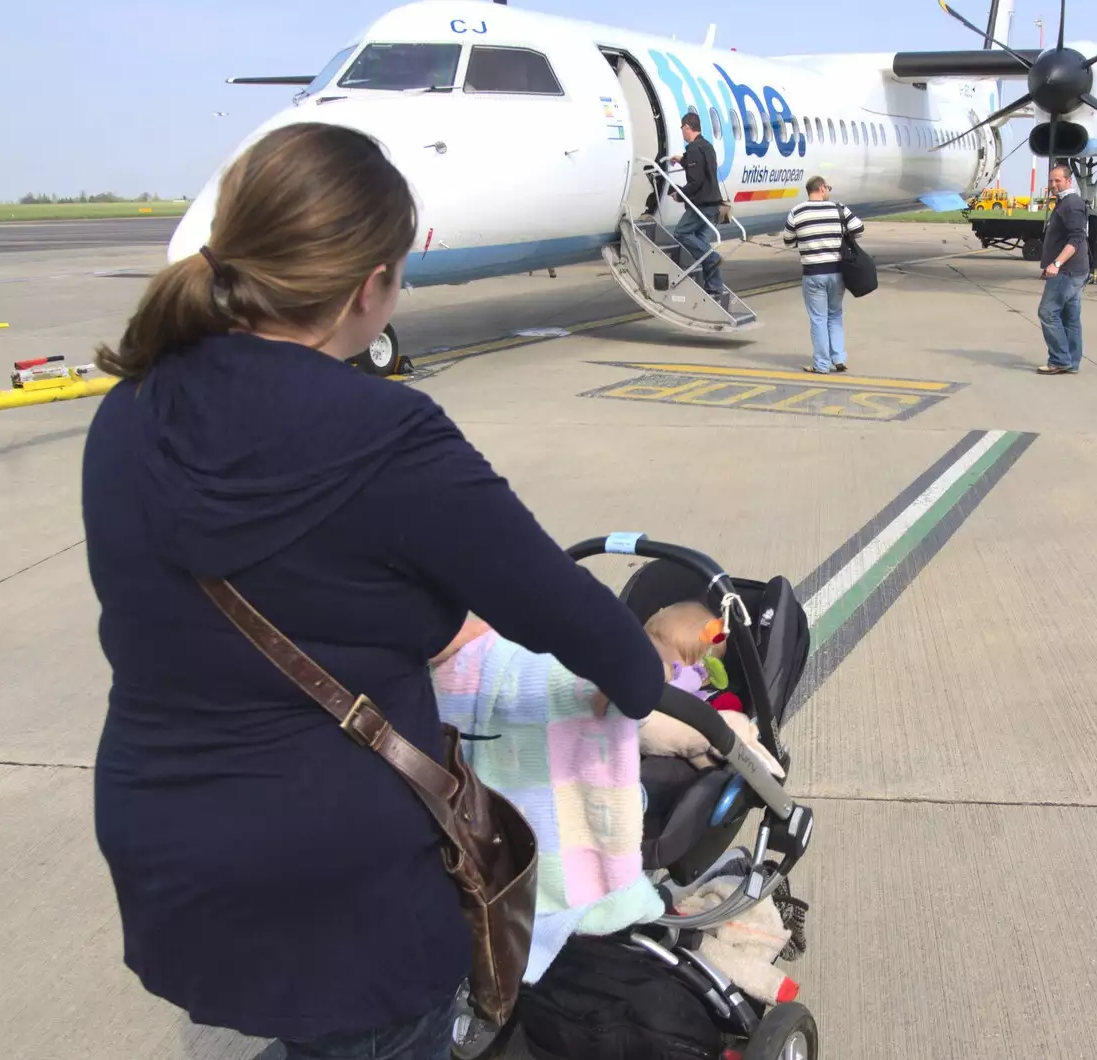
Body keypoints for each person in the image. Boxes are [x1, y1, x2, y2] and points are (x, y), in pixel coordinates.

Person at [82, 122, 669, 1060]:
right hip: (339, 877)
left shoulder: (130, 408)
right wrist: (643, 673)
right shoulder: (389, 435)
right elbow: (575, 620)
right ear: (371, 288)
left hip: (160, 833)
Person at [782, 176, 865, 374]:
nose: (828, 190)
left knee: (818, 318)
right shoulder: (839, 208)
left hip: (813, 274)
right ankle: (838, 358)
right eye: (827, 187)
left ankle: (821, 364)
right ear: (820, 188)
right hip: (837, 272)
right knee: (835, 314)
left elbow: (788, 240)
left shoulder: (797, 212)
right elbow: (859, 229)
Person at [1035, 164, 1091, 375]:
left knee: (1048, 312)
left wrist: (1056, 263)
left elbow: (1077, 238)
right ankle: (1071, 361)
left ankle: (1059, 360)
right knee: (1070, 317)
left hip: (1067, 271)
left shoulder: (1071, 205)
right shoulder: (1065, 203)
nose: (1053, 184)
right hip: (1074, 269)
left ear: (1068, 181)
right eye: (1051, 181)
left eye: (1057, 180)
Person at [668, 112, 727, 301]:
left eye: (682, 129)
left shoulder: (693, 148)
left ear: (687, 127)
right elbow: (702, 167)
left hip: (701, 204)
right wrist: (681, 159)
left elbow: (696, 180)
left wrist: (680, 194)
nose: (682, 134)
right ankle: (714, 287)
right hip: (714, 203)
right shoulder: (707, 146)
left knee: (681, 233)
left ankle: (713, 259)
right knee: (702, 244)